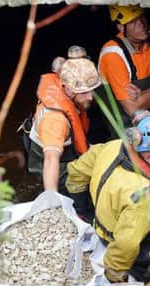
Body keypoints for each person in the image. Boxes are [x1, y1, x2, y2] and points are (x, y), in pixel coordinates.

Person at [65, 114, 150, 284]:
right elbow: (126, 244)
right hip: (119, 240)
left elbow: (76, 172)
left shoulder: (112, 147)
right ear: (149, 156)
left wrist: (82, 209)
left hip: (101, 222)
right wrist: (116, 278)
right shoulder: (144, 195)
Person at [21, 46, 102, 193]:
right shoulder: (55, 120)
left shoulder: (66, 85)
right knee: (101, 170)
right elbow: (51, 160)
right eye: (84, 92)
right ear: (69, 89)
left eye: (91, 90)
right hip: (54, 168)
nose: (90, 97)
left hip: (67, 153)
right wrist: (52, 197)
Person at [97, 5, 150, 126]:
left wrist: (143, 98)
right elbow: (132, 110)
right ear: (121, 27)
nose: (141, 24)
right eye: (133, 22)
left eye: (141, 17)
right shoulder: (113, 54)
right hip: (125, 127)